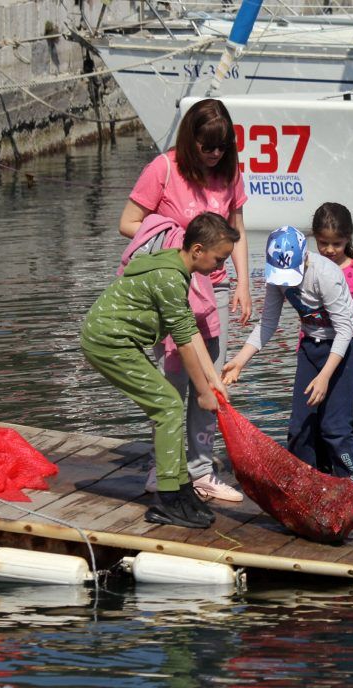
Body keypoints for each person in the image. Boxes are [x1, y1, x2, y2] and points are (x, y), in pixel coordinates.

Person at [118, 98, 252, 502]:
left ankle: (201, 469)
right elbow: (128, 223)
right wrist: (175, 236)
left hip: (217, 290)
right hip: (172, 289)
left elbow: (237, 229)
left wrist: (244, 282)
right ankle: (166, 467)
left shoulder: (229, 173)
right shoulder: (164, 169)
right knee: (172, 382)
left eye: (221, 147)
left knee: (211, 380)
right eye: (206, 147)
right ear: (190, 142)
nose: (213, 155)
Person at [81, 213, 238, 529]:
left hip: (116, 339)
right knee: (167, 406)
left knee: (168, 403)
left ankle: (181, 490)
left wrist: (212, 380)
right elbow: (182, 342)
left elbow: (189, 329)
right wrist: (204, 393)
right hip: (107, 342)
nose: (221, 267)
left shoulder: (177, 267)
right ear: (197, 251)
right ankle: (167, 500)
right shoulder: (170, 278)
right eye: (219, 259)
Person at [222, 226, 353, 521]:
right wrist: (240, 360)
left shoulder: (325, 274)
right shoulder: (275, 278)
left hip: (346, 347)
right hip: (311, 346)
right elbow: (268, 323)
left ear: (304, 257)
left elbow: (346, 330)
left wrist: (325, 377)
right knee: (300, 427)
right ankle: (312, 489)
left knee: (335, 428)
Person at [308, 202, 353, 469]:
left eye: (336, 244)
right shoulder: (309, 266)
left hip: (349, 350)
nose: (329, 250)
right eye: (323, 243)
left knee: (350, 417)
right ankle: (322, 470)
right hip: (317, 349)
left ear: (348, 238)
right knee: (315, 414)